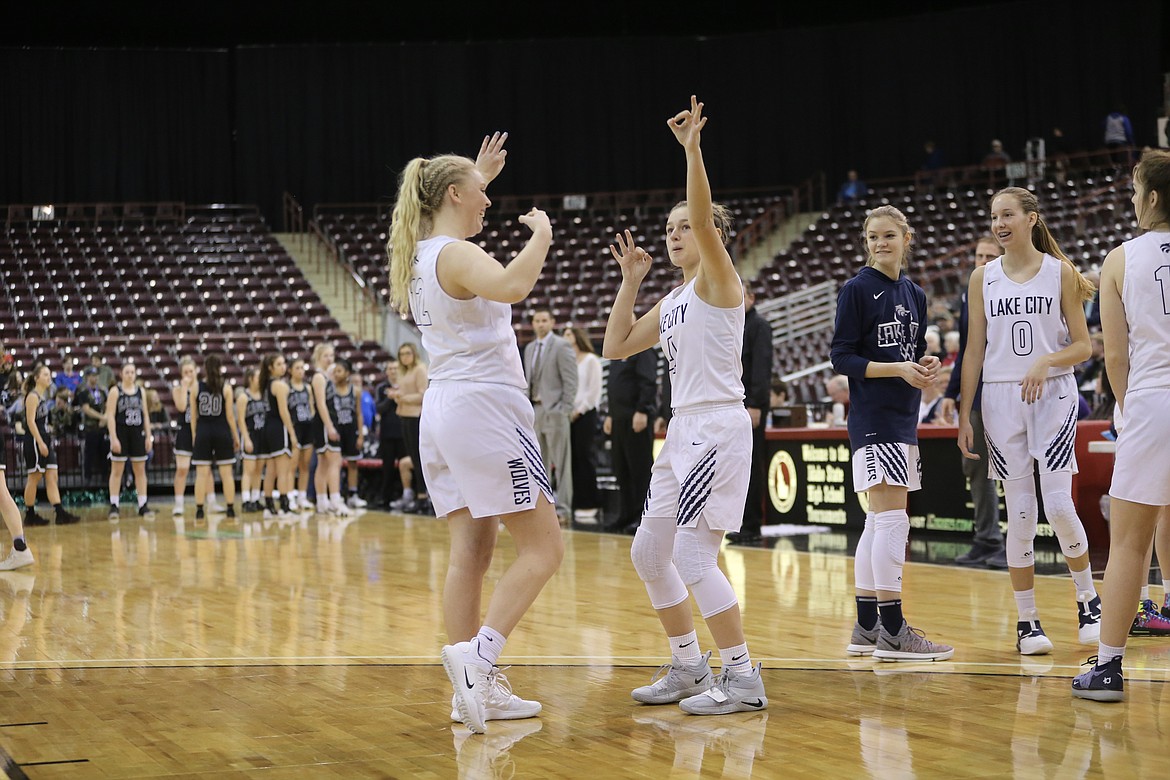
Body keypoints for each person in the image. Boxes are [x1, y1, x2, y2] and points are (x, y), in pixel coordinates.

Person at [387, 130, 563, 734]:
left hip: (444, 410)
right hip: (484, 407)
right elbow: (515, 285)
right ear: (456, 194)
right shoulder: (456, 253)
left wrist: (479, 175)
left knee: (471, 554)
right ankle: (478, 662)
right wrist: (541, 236)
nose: (489, 203)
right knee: (545, 548)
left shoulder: (417, 253)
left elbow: (461, 207)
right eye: (480, 195)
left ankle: (470, 691)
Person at [603, 96, 767, 714]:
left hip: (718, 427)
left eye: (683, 228)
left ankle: (744, 677)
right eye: (667, 229)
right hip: (683, 432)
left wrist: (693, 149)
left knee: (695, 555)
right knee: (648, 551)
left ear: (713, 237)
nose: (675, 235)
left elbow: (702, 222)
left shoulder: (721, 281)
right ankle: (689, 667)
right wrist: (629, 281)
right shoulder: (673, 300)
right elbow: (617, 346)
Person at [958, 186, 1101, 658]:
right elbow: (974, 351)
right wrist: (964, 413)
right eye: (994, 215)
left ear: (1031, 219)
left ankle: (1088, 602)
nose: (999, 223)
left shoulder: (1061, 272)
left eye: (1008, 215)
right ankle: (1026, 620)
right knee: (1019, 514)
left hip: (1053, 393)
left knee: (1058, 505)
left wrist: (1046, 362)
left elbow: (1084, 346)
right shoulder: (983, 278)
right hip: (1000, 399)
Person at [831, 204, 953, 663]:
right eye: (872, 237)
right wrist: (896, 369)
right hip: (875, 419)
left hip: (903, 419)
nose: (880, 243)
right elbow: (841, 358)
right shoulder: (857, 290)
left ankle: (866, 626)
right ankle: (895, 629)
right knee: (891, 521)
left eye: (888, 236)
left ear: (907, 237)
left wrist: (923, 364)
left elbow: (911, 352)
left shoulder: (916, 294)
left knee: (876, 522)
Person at [1073, 149, 1170, 701]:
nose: (1131, 201)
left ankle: (1108, 668)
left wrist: (1131, 408)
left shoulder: (1119, 259)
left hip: (1153, 399)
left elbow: (1114, 357)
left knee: (1131, 543)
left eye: (1135, 191)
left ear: (1152, 197)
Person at [940, 236, 1007, 569]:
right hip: (978, 393)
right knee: (976, 466)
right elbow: (969, 347)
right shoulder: (971, 290)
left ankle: (1012, 541)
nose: (983, 260)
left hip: (1010, 390)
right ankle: (988, 539)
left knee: (1014, 470)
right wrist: (952, 393)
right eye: (979, 255)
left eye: (989, 255)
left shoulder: (1011, 285)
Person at [730, 283, 772, 545]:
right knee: (737, 467)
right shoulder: (731, 324)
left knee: (753, 464)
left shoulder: (759, 326)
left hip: (751, 404)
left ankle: (753, 524)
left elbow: (761, 368)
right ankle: (741, 522)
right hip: (735, 404)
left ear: (751, 298)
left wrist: (756, 403)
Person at [525, 310, 577, 523]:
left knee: (561, 462)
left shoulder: (561, 345)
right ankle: (543, 508)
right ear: (533, 324)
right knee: (538, 462)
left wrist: (564, 408)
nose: (541, 324)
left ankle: (564, 509)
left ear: (552, 323)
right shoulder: (529, 348)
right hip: (535, 410)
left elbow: (571, 380)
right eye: (537, 321)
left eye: (544, 320)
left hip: (554, 411)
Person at [603, 348, 658, 534]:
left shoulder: (644, 351)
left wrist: (643, 410)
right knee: (622, 469)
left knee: (640, 469)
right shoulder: (617, 352)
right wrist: (611, 414)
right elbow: (613, 386)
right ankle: (625, 514)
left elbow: (649, 383)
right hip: (619, 418)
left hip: (637, 418)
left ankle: (643, 517)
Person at [21, 364, 80, 526]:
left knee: (52, 475)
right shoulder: (32, 396)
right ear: (36, 378)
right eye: (45, 374)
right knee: (34, 477)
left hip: (45, 438)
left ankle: (60, 512)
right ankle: (30, 514)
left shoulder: (43, 397)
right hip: (34, 440)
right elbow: (30, 422)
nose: (49, 377)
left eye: (49, 374)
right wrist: (40, 442)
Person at [190, 354, 238, 521]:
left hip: (203, 430)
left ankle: (199, 510)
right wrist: (236, 436)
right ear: (219, 368)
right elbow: (231, 416)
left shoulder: (196, 387)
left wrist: (195, 435)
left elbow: (193, 416)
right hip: (221, 429)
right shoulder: (226, 387)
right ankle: (230, 508)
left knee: (201, 474)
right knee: (227, 474)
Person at [563, 326, 601, 523]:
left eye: (569, 334)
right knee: (573, 459)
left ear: (578, 336)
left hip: (585, 414)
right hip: (568, 414)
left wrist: (580, 409)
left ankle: (590, 502)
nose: (566, 337)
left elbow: (594, 390)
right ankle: (576, 501)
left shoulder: (591, 360)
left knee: (585, 457)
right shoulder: (567, 361)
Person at [106, 363, 154, 519]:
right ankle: (114, 505)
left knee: (140, 470)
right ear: (121, 374)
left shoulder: (141, 391)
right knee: (117, 470)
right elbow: (110, 416)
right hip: (121, 433)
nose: (130, 375)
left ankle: (143, 504)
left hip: (137, 433)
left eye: (132, 372)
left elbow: (146, 415)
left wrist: (148, 436)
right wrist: (113, 438)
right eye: (127, 372)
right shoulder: (115, 391)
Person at [309, 342, 349, 516]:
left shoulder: (327, 377)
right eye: (326, 355)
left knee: (324, 463)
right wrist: (330, 426)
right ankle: (334, 500)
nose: (330, 359)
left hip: (326, 422)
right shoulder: (319, 377)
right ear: (318, 358)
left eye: (332, 355)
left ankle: (322, 502)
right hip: (325, 423)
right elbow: (321, 404)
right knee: (335, 461)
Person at [390, 343, 428, 513]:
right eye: (401, 353)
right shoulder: (403, 371)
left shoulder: (420, 369)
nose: (404, 356)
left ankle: (422, 496)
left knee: (418, 458)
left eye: (407, 353)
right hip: (404, 414)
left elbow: (423, 394)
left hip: (415, 415)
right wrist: (397, 396)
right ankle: (418, 495)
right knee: (413, 457)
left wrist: (403, 397)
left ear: (414, 354)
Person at [259, 354, 297, 517]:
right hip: (278, 427)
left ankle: (269, 506)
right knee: (283, 471)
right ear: (270, 367)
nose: (284, 366)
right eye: (279, 364)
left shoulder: (266, 384)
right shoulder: (279, 385)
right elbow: (284, 412)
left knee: (271, 470)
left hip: (267, 427)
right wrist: (292, 434)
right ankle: (284, 507)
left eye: (284, 363)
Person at [328, 359, 364, 510]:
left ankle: (352, 495)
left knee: (352, 463)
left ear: (347, 373)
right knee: (333, 464)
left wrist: (361, 435)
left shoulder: (355, 390)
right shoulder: (330, 389)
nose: (336, 374)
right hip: (336, 430)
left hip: (350, 429)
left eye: (339, 371)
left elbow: (359, 414)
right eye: (335, 371)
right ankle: (333, 496)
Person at [374, 358, 406, 507]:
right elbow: (379, 408)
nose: (393, 371)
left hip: (404, 432)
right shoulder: (381, 388)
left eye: (395, 368)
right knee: (387, 467)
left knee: (404, 466)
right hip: (387, 433)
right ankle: (384, 498)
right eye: (390, 368)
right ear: (386, 372)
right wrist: (390, 397)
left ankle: (404, 496)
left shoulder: (406, 385)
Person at [286, 357, 316, 512]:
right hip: (294, 427)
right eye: (297, 368)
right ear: (290, 370)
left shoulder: (308, 388)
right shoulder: (287, 388)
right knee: (292, 466)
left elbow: (311, 407)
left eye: (302, 368)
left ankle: (302, 497)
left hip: (307, 427)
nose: (300, 371)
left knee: (305, 465)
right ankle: (290, 497)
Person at [237, 367, 266, 513]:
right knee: (248, 470)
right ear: (250, 379)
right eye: (258, 377)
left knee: (259, 470)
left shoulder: (264, 395)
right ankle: (245, 500)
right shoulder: (244, 397)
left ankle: (255, 499)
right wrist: (246, 439)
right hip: (250, 435)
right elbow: (240, 420)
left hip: (263, 436)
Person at [171, 357, 197, 517]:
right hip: (185, 430)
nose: (189, 374)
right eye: (186, 372)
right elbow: (181, 406)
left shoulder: (202, 388)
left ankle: (212, 500)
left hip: (200, 430)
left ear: (196, 371)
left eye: (191, 371)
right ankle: (179, 503)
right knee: (182, 469)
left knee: (205, 469)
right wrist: (185, 387)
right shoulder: (178, 389)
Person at [75, 368, 110, 484]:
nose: (94, 378)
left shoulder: (102, 392)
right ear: (88, 377)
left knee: (104, 455)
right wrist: (101, 417)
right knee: (89, 455)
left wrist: (105, 418)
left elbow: (108, 405)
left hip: (102, 428)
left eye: (96, 375)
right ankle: (87, 479)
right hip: (90, 428)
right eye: (92, 375)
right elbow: (86, 409)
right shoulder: (83, 393)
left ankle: (105, 479)